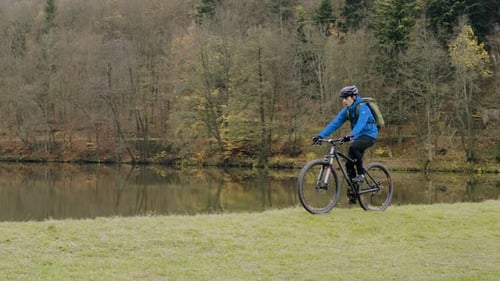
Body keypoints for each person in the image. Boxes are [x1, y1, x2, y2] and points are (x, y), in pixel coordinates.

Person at [312, 85, 378, 203]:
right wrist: (320, 136)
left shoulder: (363, 107)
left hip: (369, 135)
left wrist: (351, 134)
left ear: (354, 97)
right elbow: (334, 124)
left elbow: (362, 123)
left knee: (354, 147)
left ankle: (361, 174)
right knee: (348, 164)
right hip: (357, 136)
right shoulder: (347, 111)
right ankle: (353, 194)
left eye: (346, 98)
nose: (344, 101)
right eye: (343, 98)